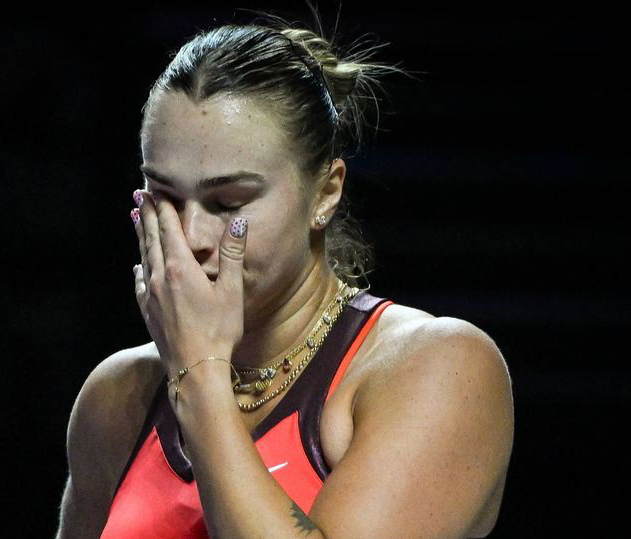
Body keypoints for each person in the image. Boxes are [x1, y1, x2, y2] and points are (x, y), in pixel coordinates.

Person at [56, 10, 514, 539]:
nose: (193, 235)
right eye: (165, 196)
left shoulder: (439, 368)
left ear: (326, 192)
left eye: (228, 202)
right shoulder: (119, 396)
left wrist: (200, 372)